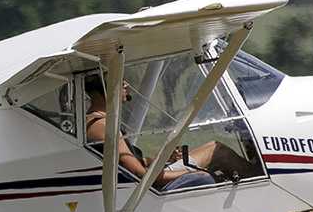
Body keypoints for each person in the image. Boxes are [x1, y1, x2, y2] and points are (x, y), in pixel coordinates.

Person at [82, 73, 253, 189]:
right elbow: (139, 173)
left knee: (212, 145)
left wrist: (161, 158)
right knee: (217, 152)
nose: (126, 85)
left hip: (143, 181)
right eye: (120, 82)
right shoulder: (103, 126)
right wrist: (193, 173)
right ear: (105, 90)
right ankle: (259, 183)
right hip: (146, 188)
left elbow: (133, 161)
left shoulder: (97, 121)